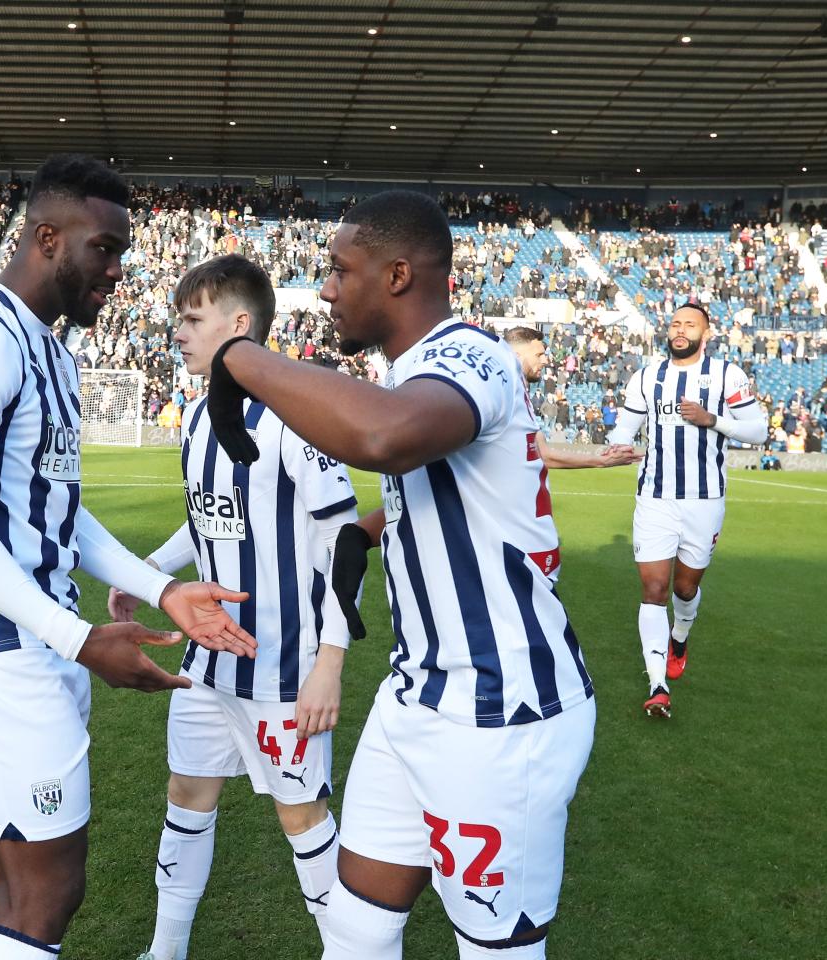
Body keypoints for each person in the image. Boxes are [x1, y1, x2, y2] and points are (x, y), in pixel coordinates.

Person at [203, 191, 595, 960]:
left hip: (498, 709)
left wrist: (239, 357)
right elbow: (458, 490)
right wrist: (368, 531)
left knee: (496, 951)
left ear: (397, 275)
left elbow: (384, 436)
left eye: (339, 270)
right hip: (416, 693)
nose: (325, 288)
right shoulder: (417, 371)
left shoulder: (469, 354)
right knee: (355, 931)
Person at [0, 155, 257, 960]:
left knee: (14, 868)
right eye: (104, 249)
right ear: (47, 238)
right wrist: (79, 639)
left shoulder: (51, 351)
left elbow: (58, 512)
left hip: (28, 637)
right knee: (49, 885)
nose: (118, 271)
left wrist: (163, 589)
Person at [107, 255, 359, 960]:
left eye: (192, 320)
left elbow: (345, 543)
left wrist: (330, 663)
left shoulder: (296, 418)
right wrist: (152, 572)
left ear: (240, 325)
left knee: (302, 817)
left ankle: (349, 951)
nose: (177, 334)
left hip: (285, 672)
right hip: (207, 663)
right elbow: (214, 518)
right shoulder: (193, 418)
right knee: (186, 796)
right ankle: (165, 951)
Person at [606, 303, 769, 718]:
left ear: (706, 333)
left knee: (684, 589)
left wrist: (712, 419)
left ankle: (680, 636)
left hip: (705, 500)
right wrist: (619, 442)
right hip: (655, 497)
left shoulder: (727, 375)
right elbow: (626, 425)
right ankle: (657, 685)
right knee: (654, 590)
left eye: (689, 325)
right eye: (676, 324)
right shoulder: (645, 376)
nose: (680, 331)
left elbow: (758, 431)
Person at [502, 326, 642, 480]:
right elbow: (545, 456)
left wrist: (603, 459)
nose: (545, 360)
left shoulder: (519, 392)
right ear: (516, 357)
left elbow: (544, 451)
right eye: (539, 355)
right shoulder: (502, 396)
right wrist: (602, 461)